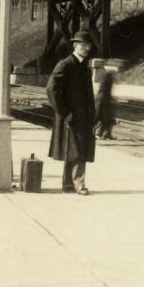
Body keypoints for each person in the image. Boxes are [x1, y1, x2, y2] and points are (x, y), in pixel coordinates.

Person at [47, 31, 98, 194]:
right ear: (75, 45)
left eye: (88, 45)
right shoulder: (66, 64)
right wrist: (65, 112)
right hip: (72, 116)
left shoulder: (84, 66)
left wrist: (93, 115)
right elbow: (51, 89)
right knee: (78, 150)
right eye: (83, 44)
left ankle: (68, 184)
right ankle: (79, 184)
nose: (86, 48)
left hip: (82, 116)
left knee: (74, 149)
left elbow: (88, 94)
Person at [93, 59, 116, 140]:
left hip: (105, 99)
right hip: (103, 99)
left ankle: (106, 134)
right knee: (102, 117)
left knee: (107, 117)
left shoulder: (107, 74)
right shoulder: (105, 75)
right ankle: (98, 134)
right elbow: (103, 89)